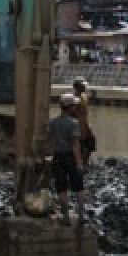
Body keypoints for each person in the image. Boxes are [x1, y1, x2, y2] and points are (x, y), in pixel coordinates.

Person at [47, 93, 86, 224]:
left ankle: (66, 217)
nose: (75, 107)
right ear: (70, 107)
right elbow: (75, 145)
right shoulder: (73, 123)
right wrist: (79, 163)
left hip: (57, 157)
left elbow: (50, 142)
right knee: (78, 187)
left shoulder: (52, 122)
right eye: (74, 105)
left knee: (61, 187)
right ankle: (81, 216)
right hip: (70, 157)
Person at [72, 77, 96, 166]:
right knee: (80, 146)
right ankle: (79, 164)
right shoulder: (75, 99)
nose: (85, 88)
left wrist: (87, 126)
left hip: (84, 125)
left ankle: (84, 163)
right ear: (77, 87)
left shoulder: (83, 97)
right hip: (78, 127)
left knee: (91, 143)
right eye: (83, 86)